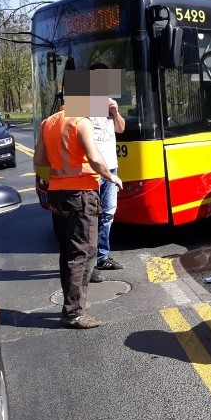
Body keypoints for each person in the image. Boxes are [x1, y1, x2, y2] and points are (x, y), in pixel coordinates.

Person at [33, 73, 123, 329]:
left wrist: (59, 172)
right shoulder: (81, 122)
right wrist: (111, 177)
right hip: (81, 195)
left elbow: (39, 161)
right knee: (83, 253)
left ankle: (73, 303)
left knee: (68, 253)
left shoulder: (48, 122)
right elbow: (94, 159)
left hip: (58, 195)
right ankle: (74, 312)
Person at [89, 63, 126, 283]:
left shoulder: (111, 103)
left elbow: (120, 128)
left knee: (108, 215)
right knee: (90, 217)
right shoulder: (80, 104)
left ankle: (102, 257)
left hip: (111, 167)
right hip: (91, 170)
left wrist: (115, 111)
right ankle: (89, 264)